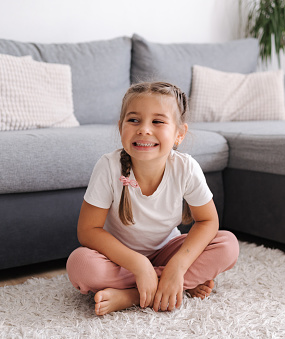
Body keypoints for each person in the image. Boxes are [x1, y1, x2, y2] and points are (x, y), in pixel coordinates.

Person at [66, 81, 239, 316]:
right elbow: (88, 230)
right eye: (134, 120)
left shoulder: (186, 167)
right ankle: (171, 286)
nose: (144, 129)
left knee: (228, 245)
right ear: (121, 128)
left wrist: (177, 267)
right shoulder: (109, 166)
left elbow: (208, 221)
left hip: (167, 249)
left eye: (157, 121)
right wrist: (139, 265)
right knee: (80, 264)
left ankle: (134, 295)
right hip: (120, 258)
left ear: (179, 134)